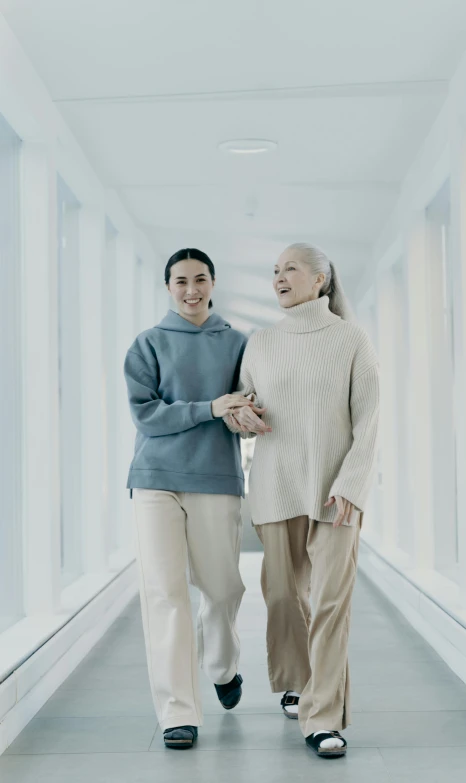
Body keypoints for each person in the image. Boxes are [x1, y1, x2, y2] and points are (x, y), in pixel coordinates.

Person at [226, 242, 380, 759]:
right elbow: (243, 406)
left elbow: (369, 422)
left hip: (338, 491)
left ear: (321, 279)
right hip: (276, 484)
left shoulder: (351, 338)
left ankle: (322, 715)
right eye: (274, 270)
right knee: (282, 593)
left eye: (290, 267)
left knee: (332, 602)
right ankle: (297, 678)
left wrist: (352, 483)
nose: (278, 277)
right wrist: (240, 415)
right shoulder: (262, 342)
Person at [124, 248, 260, 750]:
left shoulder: (238, 344)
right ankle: (178, 712)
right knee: (165, 594)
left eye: (199, 279)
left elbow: (248, 401)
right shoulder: (147, 344)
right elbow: (147, 416)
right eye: (180, 280)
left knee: (222, 589)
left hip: (216, 477)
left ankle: (222, 667)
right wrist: (208, 406)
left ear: (213, 283)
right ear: (167, 287)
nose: (190, 289)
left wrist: (246, 412)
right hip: (155, 478)